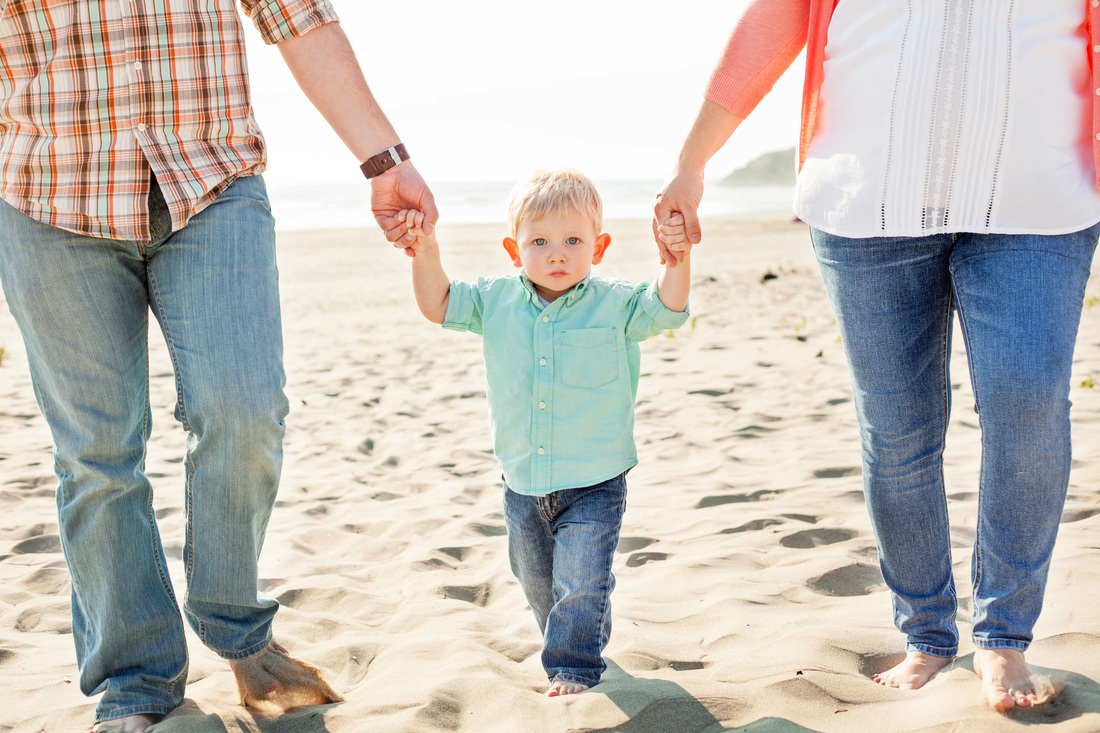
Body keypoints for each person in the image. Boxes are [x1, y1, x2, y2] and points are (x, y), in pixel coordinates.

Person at [0, 2, 436, 731]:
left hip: (209, 179)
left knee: (245, 405)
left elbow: (298, 17)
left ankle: (236, 627)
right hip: (50, 198)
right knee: (97, 454)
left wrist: (384, 160)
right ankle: (136, 684)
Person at [653, 0, 1100, 712]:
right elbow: (773, 22)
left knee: (1028, 403)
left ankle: (1003, 636)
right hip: (868, 201)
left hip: (1038, 197)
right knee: (898, 429)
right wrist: (692, 161)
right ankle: (926, 630)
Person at [399, 169, 691, 695]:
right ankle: (579, 630)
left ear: (598, 247)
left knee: (580, 581)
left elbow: (667, 310)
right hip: (522, 481)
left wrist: (677, 261)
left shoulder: (616, 304)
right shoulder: (495, 301)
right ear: (514, 250)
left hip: (596, 478)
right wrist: (426, 250)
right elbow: (437, 304)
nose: (558, 254)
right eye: (540, 242)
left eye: (573, 241)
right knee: (539, 583)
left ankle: (573, 668)